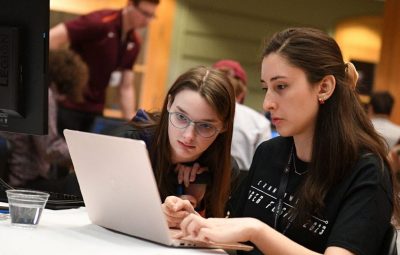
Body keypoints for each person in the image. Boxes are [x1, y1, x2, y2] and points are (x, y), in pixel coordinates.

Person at [173, 27, 400, 255]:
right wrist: (193, 221)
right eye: (266, 88)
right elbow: (234, 229)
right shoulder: (269, 152)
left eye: (281, 86)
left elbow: (250, 230)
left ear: (324, 87)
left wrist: (256, 231)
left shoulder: (367, 171)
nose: (267, 103)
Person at [109, 66, 236, 224]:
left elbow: (220, 237)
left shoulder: (226, 169)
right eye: (181, 117)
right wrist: (154, 215)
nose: (189, 136)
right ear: (169, 103)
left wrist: (196, 204)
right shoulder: (129, 142)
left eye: (205, 126)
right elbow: (97, 210)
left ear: (224, 126)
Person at [49, 0, 160, 133]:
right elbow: (51, 38)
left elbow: (126, 86)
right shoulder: (99, 22)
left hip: (95, 110)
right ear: (130, 5)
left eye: (151, 16)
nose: (147, 20)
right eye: (145, 14)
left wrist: (132, 122)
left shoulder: (134, 42)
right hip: (69, 105)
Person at [0, 49, 88, 194]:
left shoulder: (24, 89)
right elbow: (50, 149)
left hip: (11, 178)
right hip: (24, 183)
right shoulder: (44, 96)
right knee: (79, 184)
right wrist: (83, 152)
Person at [213, 59, 272, 171]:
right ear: (241, 94)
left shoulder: (197, 115)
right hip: (244, 184)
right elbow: (265, 166)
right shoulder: (259, 122)